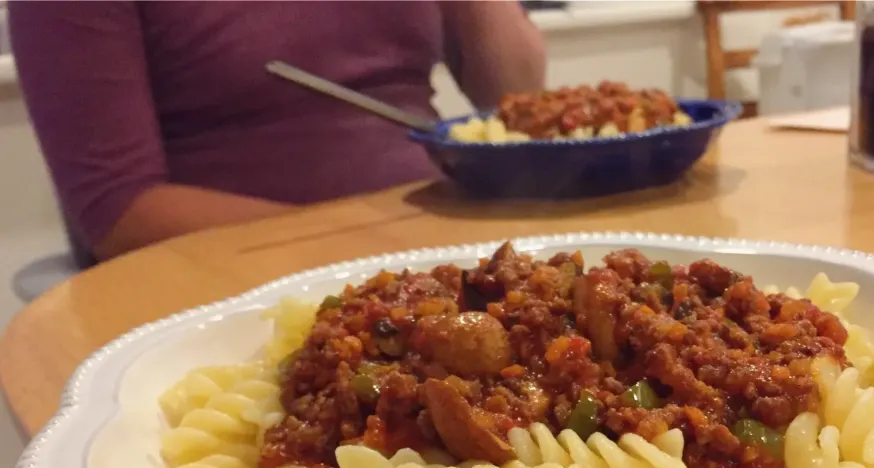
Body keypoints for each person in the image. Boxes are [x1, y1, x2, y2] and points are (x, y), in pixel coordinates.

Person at [8, 1, 545, 262]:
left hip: (433, 249)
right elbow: (117, 209)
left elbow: (512, 96)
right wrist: (378, 242)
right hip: (230, 283)